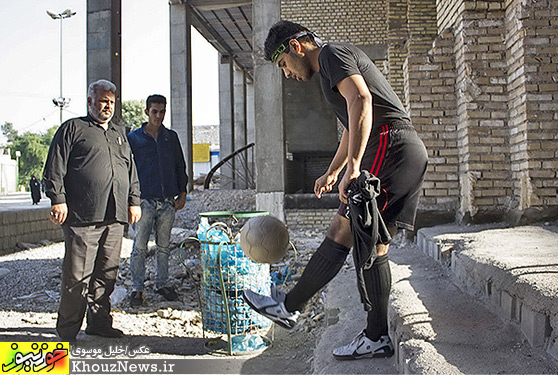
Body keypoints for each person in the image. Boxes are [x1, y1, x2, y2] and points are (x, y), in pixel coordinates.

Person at [243, 21, 428, 360]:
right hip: (397, 149)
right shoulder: (330, 69)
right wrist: (333, 170)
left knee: (343, 230)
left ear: (296, 47)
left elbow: (362, 99)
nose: (286, 75)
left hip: (389, 146)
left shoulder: (331, 55)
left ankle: (289, 306)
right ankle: (374, 337)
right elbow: (352, 121)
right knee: (371, 243)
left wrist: (355, 167)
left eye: (283, 65)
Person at [43, 79, 142, 341]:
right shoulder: (72, 129)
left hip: (114, 216)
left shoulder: (119, 133)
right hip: (82, 217)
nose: (107, 106)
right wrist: (57, 199)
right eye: (102, 101)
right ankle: (67, 331)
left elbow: (130, 171)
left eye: (111, 102)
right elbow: (55, 166)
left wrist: (134, 201)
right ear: (90, 101)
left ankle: (99, 324)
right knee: (77, 277)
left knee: (107, 274)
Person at [127, 94, 188, 307]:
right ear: (146, 112)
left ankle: (162, 283)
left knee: (164, 246)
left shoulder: (170, 138)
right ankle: (137, 289)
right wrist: (132, 200)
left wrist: (182, 192)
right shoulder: (133, 139)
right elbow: (128, 171)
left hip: (167, 202)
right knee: (140, 247)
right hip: (143, 202)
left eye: (162, 111)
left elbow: (180, 166)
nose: (159, 116)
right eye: (155, 111)